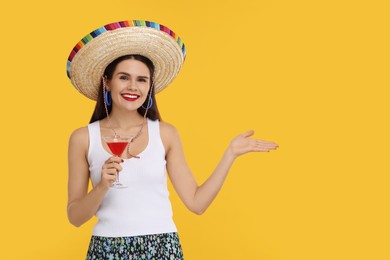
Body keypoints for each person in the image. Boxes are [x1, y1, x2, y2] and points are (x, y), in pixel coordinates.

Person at [66, 20, 278, 260]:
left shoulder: (165, 134)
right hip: (106, 249)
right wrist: (103, 185)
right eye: (124, 77)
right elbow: (75, 217)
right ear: (107, 82)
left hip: (162, 247)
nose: (133, 86)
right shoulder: (83, 138)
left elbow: (197, 204)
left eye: (142, 79)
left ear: (150, 86)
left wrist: (230, 154)